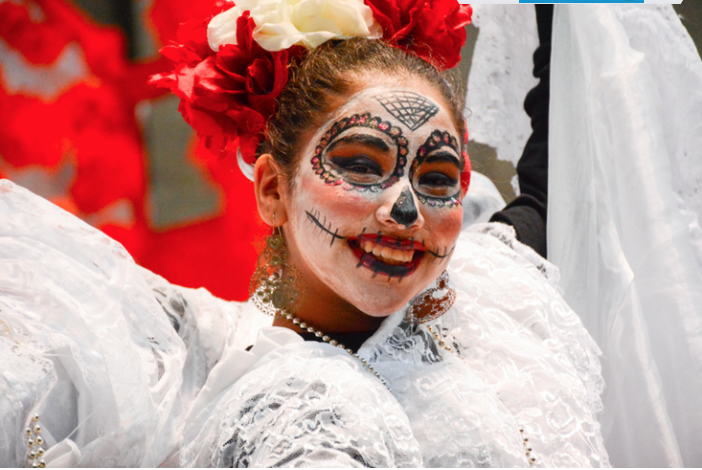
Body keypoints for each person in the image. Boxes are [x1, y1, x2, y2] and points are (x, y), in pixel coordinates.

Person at [0, 0, 610, 467]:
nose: (405, 209)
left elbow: (562, 170)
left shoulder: (497, 293)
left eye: (436, 175)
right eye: (362, 165)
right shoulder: (279, 398)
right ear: (273, 190)